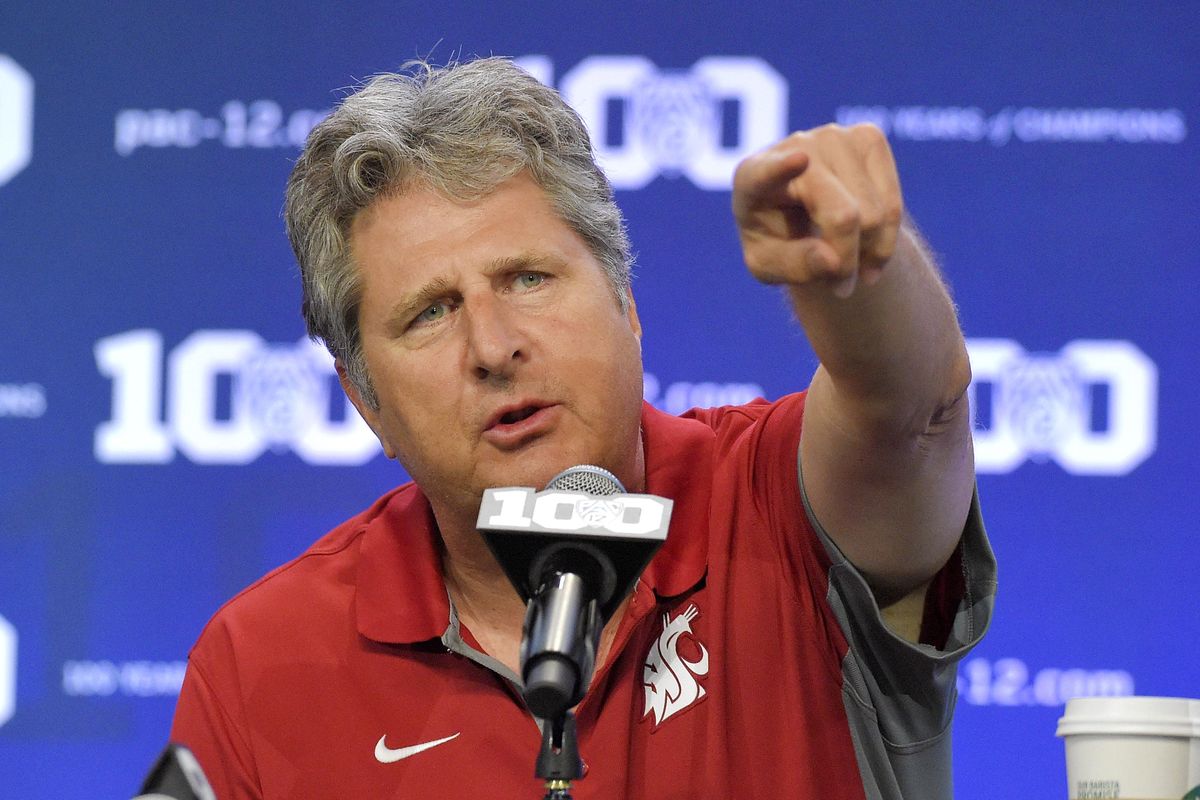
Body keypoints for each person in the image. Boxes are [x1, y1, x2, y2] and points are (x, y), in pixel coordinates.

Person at [170, 57, 995, 799]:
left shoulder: (776, 504)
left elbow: (913, 415)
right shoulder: (263, 661)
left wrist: (860, 278)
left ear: (625, 306)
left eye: (527, 278)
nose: (493, 347)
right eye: (430, 313)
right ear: (363, 401)